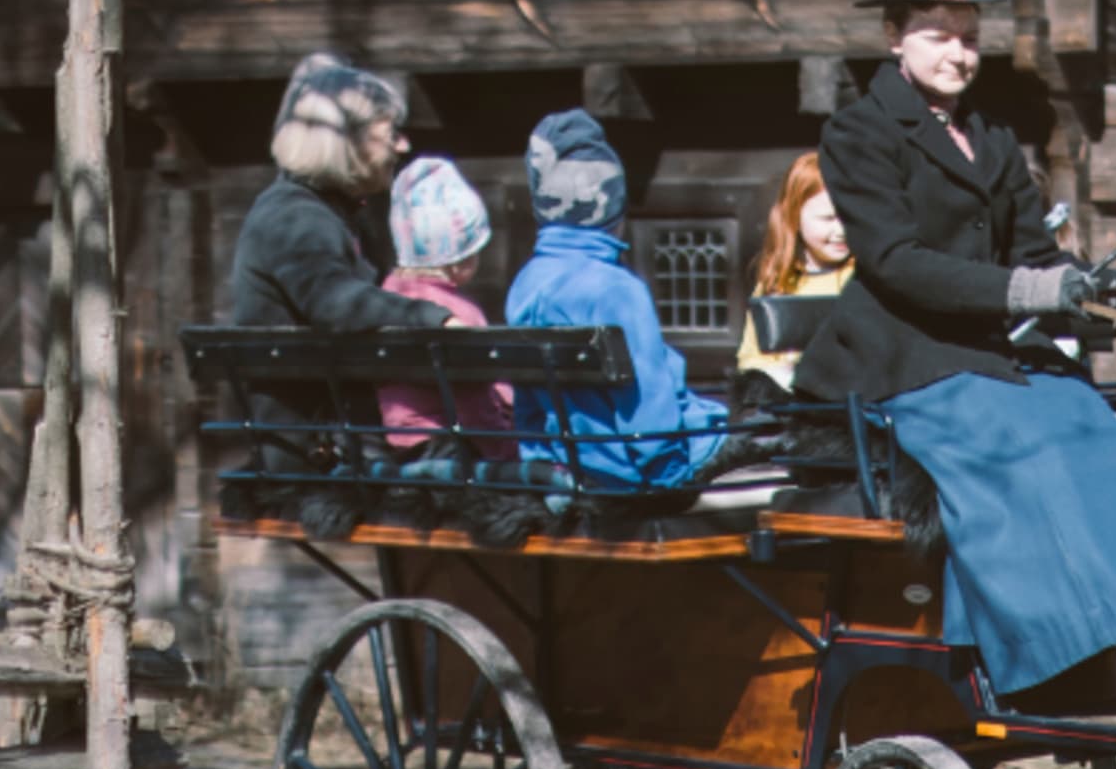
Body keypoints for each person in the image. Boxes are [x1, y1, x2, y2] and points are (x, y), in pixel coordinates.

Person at [791, 0, 1116, 698]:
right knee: (1025, 449)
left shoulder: (990, 135)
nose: (957, 53)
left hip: (985, 349)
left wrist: (1101, 288)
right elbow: (896, 263)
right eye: (937, 36)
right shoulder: (857, 133)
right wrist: (1034, 288)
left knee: (1091, 428)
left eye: (971, 39)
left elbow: (1037, 257)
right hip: (902, 354)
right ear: (894, 38)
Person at [224, 54, 452, 533]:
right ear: (345, 142)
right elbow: (337, 302)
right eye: (391, 131)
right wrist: (439, 318)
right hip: (320, 455)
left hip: (342, 443)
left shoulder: (327, 212)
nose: (403, 145)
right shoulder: (295, 218)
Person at [503, 110, 735, 489]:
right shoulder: (616, 288)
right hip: (635, 473)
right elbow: (649, 406)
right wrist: (671, 476)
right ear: (613, 205)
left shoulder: (527, 282)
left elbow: (528, 402)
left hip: (566, 468)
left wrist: (543, 465)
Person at [375, 157, 517, 462]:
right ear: (461, 259)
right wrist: (505, 451)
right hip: (454, 451)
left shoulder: (387, 293)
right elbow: (474, 406)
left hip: (400, 446)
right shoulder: (457, 314)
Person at [734, 151, 852, 396]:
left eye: (849, 218)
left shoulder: (862, 278)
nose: (840, 231)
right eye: (828, 218)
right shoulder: (779, 282)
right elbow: (751, 357)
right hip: (787, 399)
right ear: (795, 216)